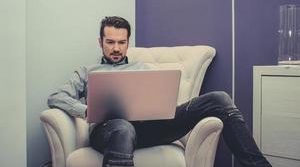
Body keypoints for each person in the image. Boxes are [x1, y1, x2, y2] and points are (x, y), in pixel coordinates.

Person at [48, 16, 272, 167]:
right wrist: (85, 110)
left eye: (121, 42)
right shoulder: (88, 71)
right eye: (110, 42)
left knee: (219, 98)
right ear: (100, 42)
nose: (116, 48)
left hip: (149, 129)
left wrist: (160, 105)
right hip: (109, 131)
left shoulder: (144, 69)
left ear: (128, 42)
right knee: (123, 127)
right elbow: (56, 97)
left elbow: (162, 101)